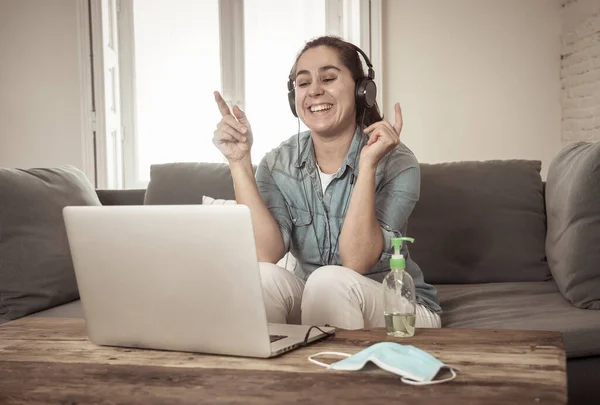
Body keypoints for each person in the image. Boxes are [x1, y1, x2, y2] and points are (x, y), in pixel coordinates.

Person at [212, 35, 441, 330]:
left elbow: (356, 261)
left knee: (329, 280)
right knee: (262, 278)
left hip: (398, 307)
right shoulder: (277, 164)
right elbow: (265, 254)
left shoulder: (397, 163)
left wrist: (367, 164)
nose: (315, 91)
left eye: (329, 78)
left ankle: (333, 377)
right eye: (303, 83)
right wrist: (239, 161)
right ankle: (277, 375)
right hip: (318, 298)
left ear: (362, 90)